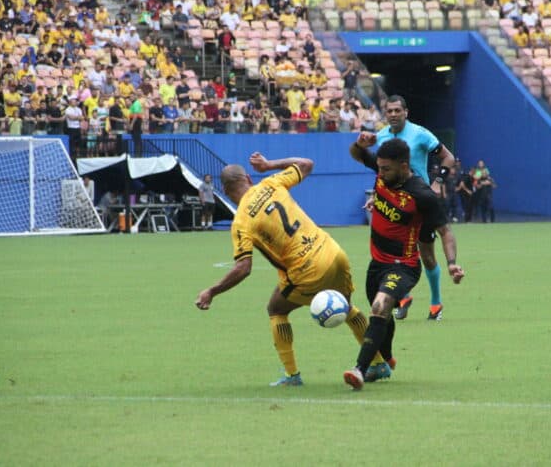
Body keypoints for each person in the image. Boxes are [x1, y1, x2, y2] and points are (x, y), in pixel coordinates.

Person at [195, 154, 375, 386]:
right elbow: (307, 164)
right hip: (334, 252)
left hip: (306, 268)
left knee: (276, 309)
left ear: (227, 192)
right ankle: (378, 362)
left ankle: (292, 375)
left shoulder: (241, 221)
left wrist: (213, 290)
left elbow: (243, 267)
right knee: (347, 306)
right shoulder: (272, 182)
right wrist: (269, 165)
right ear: (248, 178)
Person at [344, 138, 465, 390]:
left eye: (386, 169)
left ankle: (359, 369)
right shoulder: (383, 172)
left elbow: (445, 231)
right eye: (379, 167)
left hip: (404, 265)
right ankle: (385, 360)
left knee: (380, 305)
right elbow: (356, 154)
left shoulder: (421, 195)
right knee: (382, 317)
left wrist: (452, 263)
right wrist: (359, 143)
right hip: (376, 263)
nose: (381, 172)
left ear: (404, 165)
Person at [354, 95, 456, 322]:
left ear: (405, 112)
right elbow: (381, 173)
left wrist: (438, 181)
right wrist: (378, 198)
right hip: (395, 206)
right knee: (392, 253)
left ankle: (435, 303)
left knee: (427, 256)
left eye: (397, 110)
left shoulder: (420, 134)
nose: (393, 114)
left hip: (419, 204)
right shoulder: (381, 136)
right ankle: (403, 296)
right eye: (389, 111)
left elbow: (448, 157)